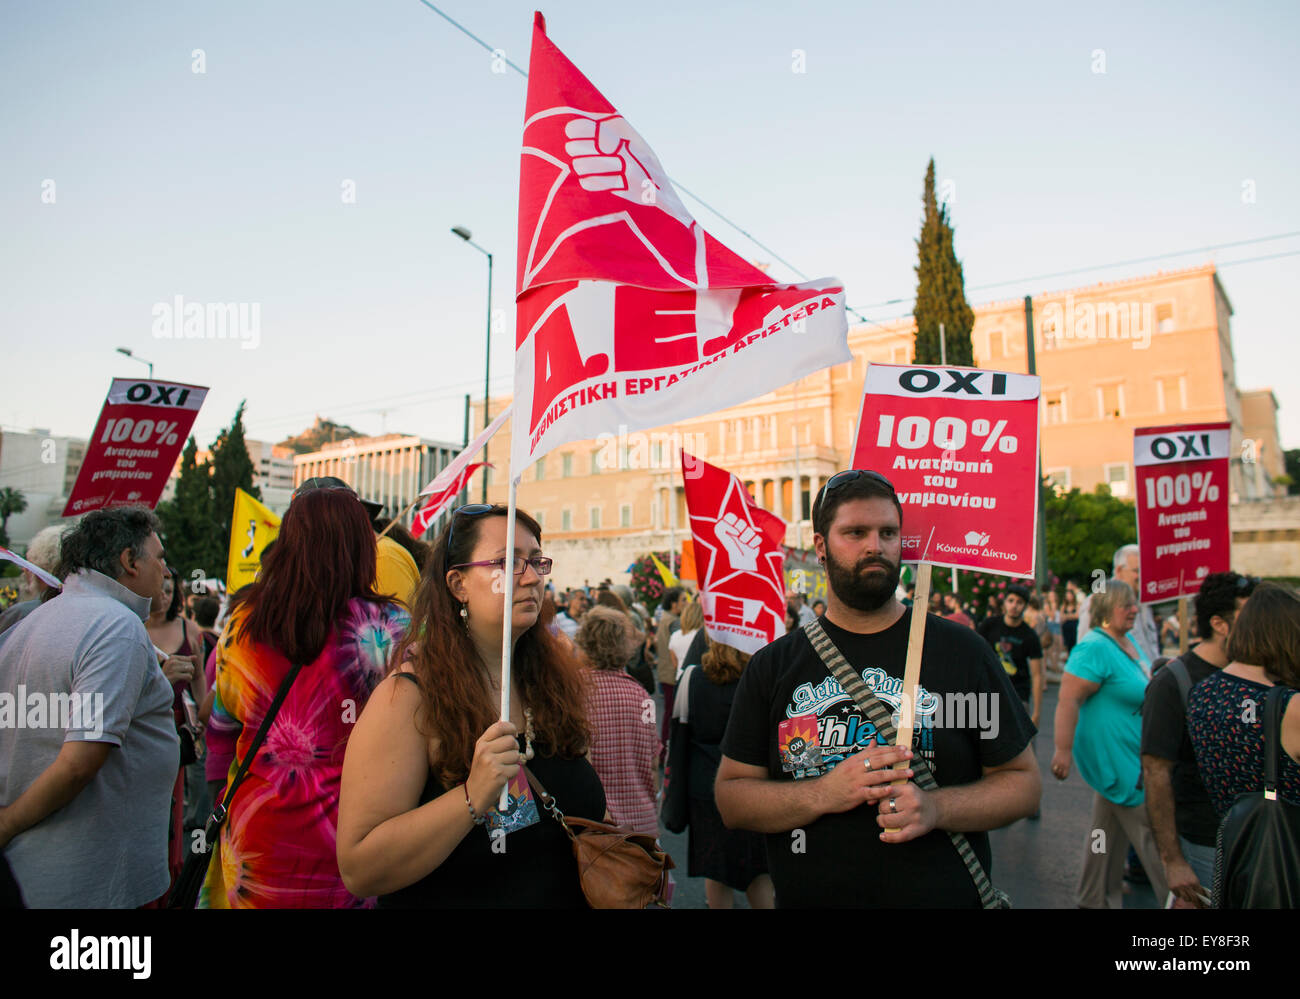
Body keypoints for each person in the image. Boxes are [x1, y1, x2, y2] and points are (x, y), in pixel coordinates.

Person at [715, 469, 1039, 907]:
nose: (876, 545)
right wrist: (824, 793)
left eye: (889, 532)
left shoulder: (964, 652)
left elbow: (1022, 783)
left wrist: (935, 809)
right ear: (821, 547)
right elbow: (733, 798)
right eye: (855, 532)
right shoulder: (774, 667)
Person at [336, 504, 604, 906]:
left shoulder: (548, 683)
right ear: (458, 584)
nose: (531, 577)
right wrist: (470, 797)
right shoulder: (408, 696)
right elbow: (360, 868)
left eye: (535, 561)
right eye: (506, 562)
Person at [198, 485, 409, 908]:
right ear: (362, 546)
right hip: (353, 837)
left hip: (256, 835)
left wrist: (221, 793)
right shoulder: (391, 626)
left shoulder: (243, 622)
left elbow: (222, 727)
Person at [0, 507, 178, 907]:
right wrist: (7, 822)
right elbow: (80, 760)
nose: (165, 572)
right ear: (129, 561)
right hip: (91, 882)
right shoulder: (116, 626)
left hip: (40, 875)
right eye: (160, 558)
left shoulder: (34, 622)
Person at [1051, 578, 1170, 908]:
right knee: (1154, 839)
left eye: (1135, 604)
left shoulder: (1126, 640)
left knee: (1105, 835)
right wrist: (1062, 750)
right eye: (1126, 605)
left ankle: (1093, 896)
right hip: (1119, 763)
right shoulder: (1094, 647)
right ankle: (1178, 899)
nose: (1134, 610)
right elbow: (1068, 699)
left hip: (1128, 758)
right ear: (1105, 610)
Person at [1141, 571, 1257, 908]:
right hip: (1203, 843)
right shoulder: (1172, 683)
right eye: (1250, 615)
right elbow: (1155, 773)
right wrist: (1173, 861)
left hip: (1252, 839)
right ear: (1221, 624)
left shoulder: (1257, 673)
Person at [673, 638, 773, 909]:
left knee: (715, 869)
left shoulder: (693, 677)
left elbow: (681, 734)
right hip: (753, 783)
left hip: (705, 786)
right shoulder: (761, 678)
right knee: (758, 870)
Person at [1187, 582, 1300, 819]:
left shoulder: (1202, 692)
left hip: (1235, 841)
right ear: (1286, 636)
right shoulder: (1289, 706)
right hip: (1287, 846)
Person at [146, 566, 209, 890]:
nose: (165, 594)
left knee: (178, 797)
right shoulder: (133, 627)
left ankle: (174, 872)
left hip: (182, 728)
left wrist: (202, 719)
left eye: (171, 589)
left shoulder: (190, 628)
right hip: (146, 728)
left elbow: (199, 679)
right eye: (161, 587)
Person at [577, 606, 659, 835]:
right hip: (643, 823)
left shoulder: (574, 692)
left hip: (598, 825)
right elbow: (653, 761)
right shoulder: (643, 696)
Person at [1079, 545, 1159, 663]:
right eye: (1137, 571)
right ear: (1119, 571)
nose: (1142, 575)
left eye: (1145, 570)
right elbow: (1085, 653)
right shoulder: (1098, 602)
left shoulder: (1144, 603)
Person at [979, 584, 1045, 725]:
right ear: (1004, 603)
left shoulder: (1029, 635)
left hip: (1018, 695)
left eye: (1019, 602)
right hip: (989, 692)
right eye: (1011, 601)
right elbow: (975, 654)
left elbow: (1037, 674)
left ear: (1025, 606)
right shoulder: (989, 625)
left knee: (1022, 743)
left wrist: (1037, 713)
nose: (1014, 606)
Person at [0, 525, 65, 636]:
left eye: (29, 565)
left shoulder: (21, 613)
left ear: (39, 570)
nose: (24, 570)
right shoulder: (93, 611)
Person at [655, 586, 689, 757]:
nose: (686, 603)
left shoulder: (665, 618)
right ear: (674, 604)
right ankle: (665, 752)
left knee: (669, 713)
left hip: (665, 672)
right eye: (683, 600)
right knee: (671, 715)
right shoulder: (673, 622)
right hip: (671, 673)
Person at [668, 600, 704, 683]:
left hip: (680, 677)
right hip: (698, 679)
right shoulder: (701, 636)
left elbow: (674, 663)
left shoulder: (675, 635)